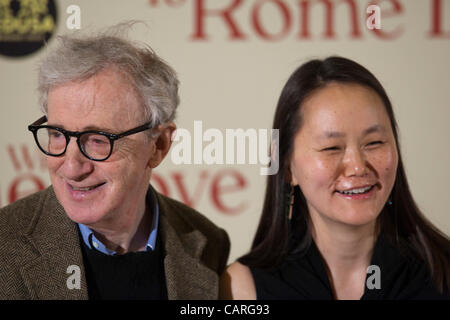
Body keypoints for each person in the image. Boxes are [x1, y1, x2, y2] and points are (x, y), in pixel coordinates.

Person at [0, 24, 230, 300]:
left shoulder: (207, 242)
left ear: (158, 145)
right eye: (58, 135)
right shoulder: (6, 245)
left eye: (97, 139)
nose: (72, 167)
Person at [220, 56, 450, 300]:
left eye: (374, 143)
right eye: (332, 148)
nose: (358, 167)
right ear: (287, 168)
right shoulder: (241, 290)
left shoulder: (441, 272)